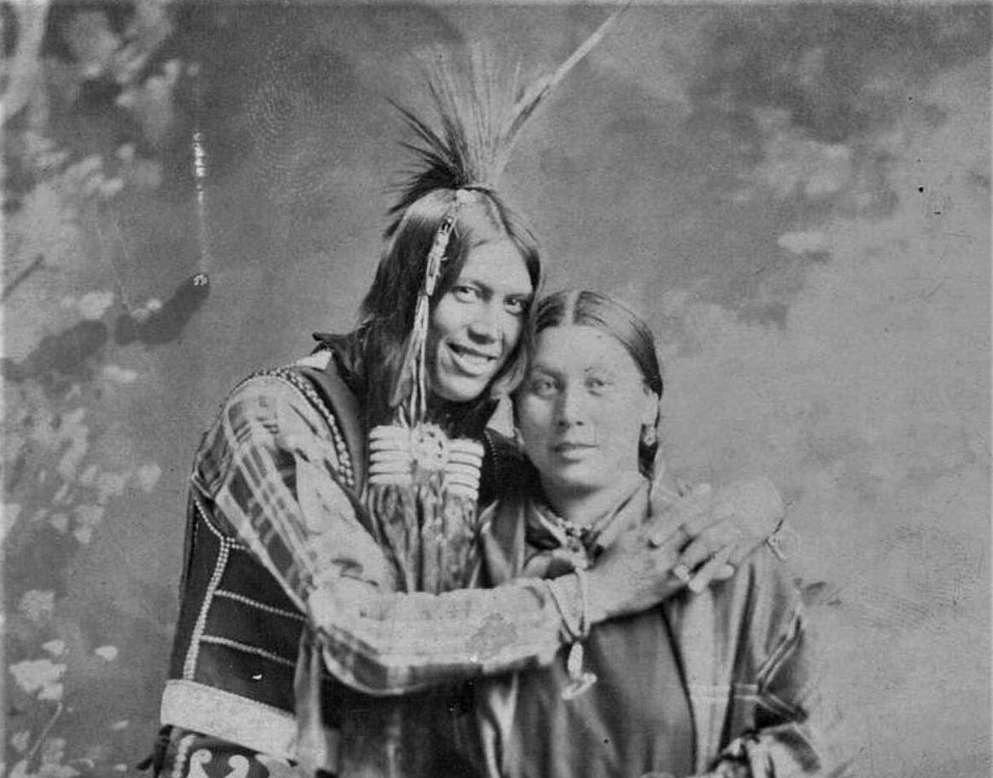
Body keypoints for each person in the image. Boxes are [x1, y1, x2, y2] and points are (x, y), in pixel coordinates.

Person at [143, 20, 788, 778]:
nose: (490, 329)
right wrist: (587, 597)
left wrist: (751, 507)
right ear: (408, 294)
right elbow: (361, 636)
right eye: (468, 295)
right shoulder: (277, 419)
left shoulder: (477, 456)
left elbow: (641, 527)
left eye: (514, 305)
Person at [469, 290, 831, 778]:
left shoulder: (727, 552)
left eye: (599, 384)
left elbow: (821, 732)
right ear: (513, 408)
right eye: (543, 386)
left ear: (648, 404)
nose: (569, 411)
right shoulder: (463, 557)